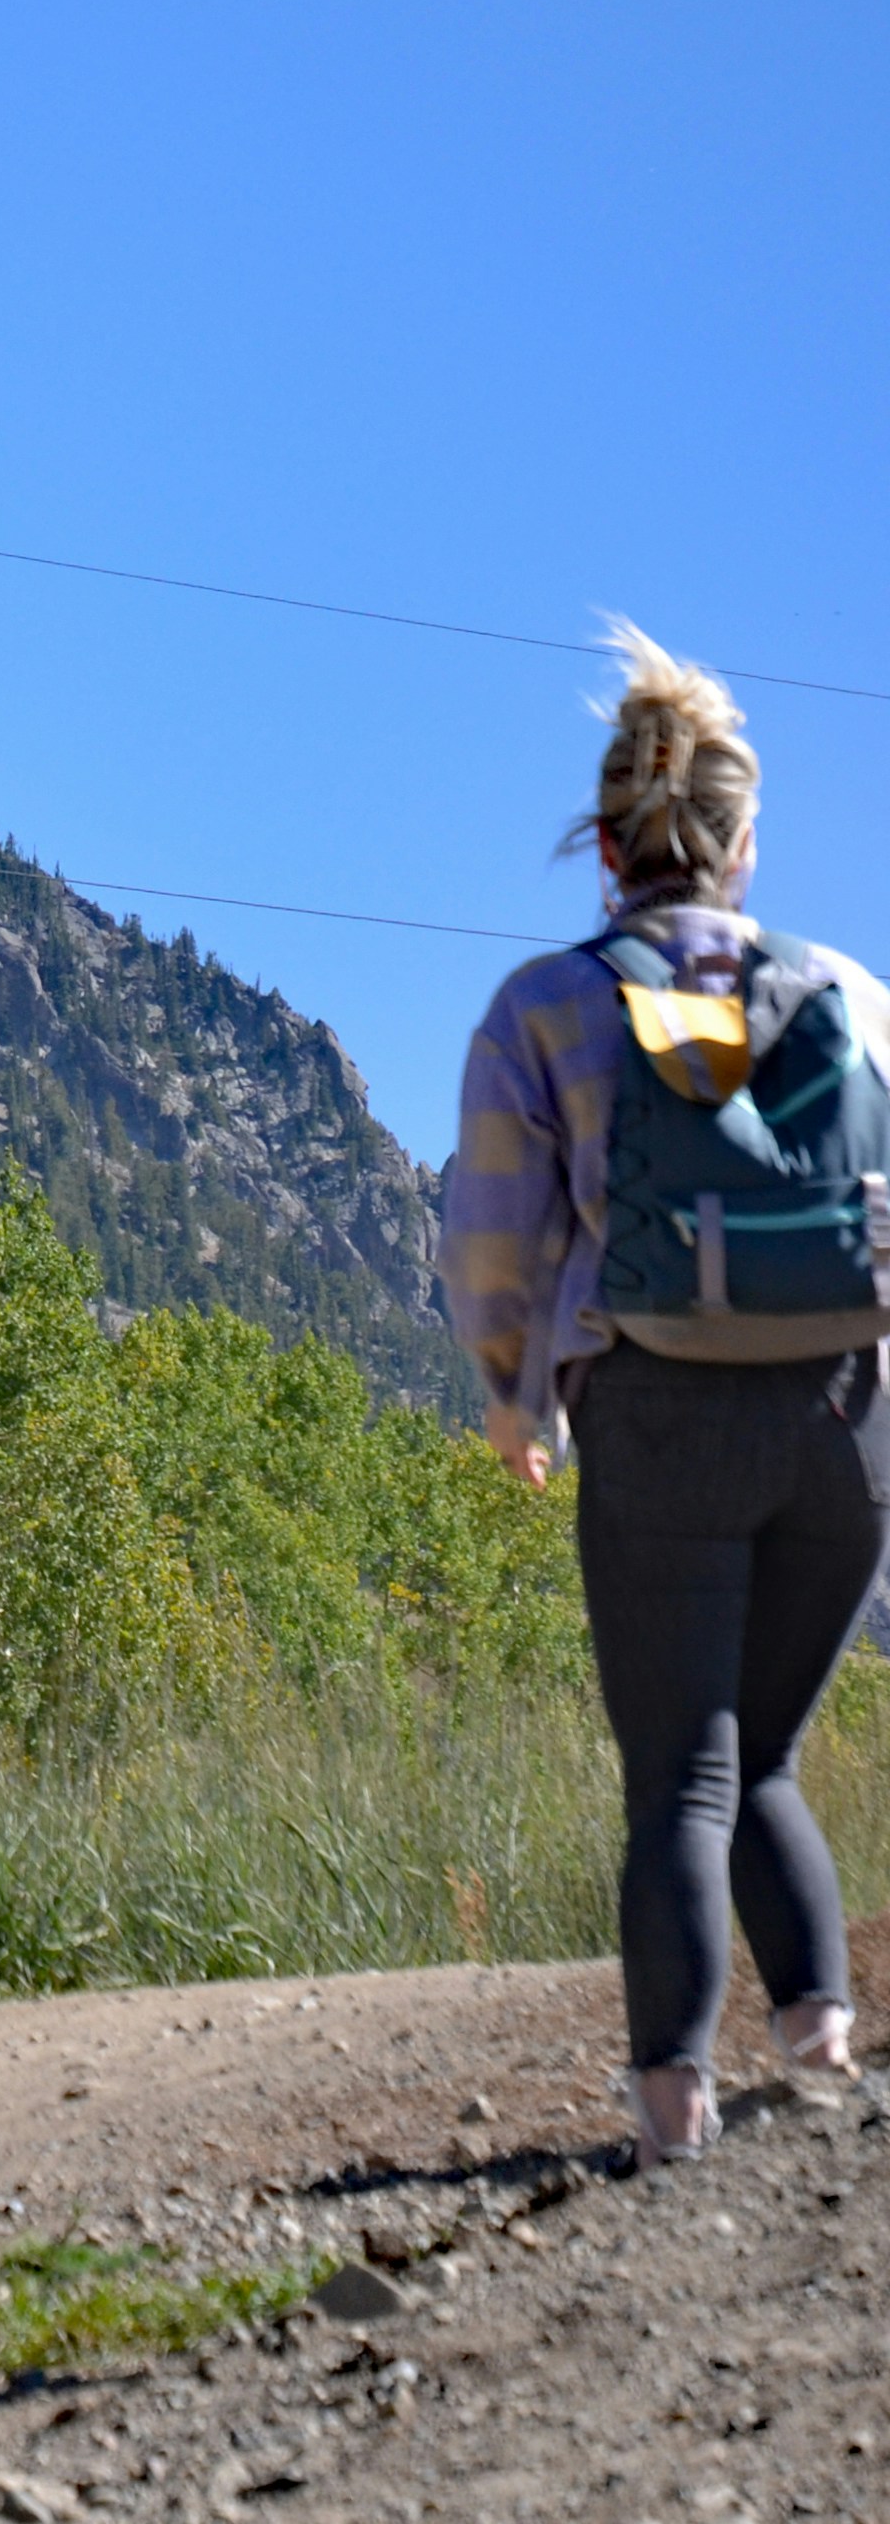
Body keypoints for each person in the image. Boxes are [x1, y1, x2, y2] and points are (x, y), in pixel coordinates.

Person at [446, 626, 890, 2167]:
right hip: (845, 1431)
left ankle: (672, 2115)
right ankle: (825, 2057)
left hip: (659, 1420)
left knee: (685, 1773)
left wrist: (518, 1404)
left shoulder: (546, 1008)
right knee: (763, 1757)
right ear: (743, 840)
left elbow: (497, 1233)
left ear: (608, 842)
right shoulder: (852, 992)